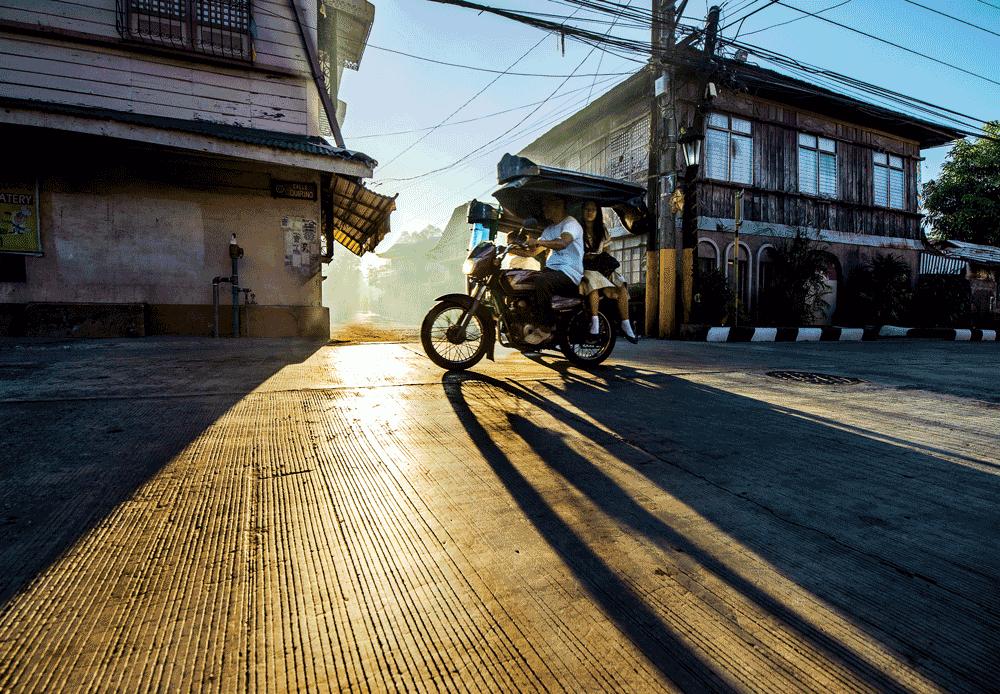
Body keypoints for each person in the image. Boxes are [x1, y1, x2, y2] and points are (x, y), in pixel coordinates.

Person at [509, 195, 583, 343]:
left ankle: (545, 328)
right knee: (524, 279)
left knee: (542, 281)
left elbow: (563, 242)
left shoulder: (570, 224)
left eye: (546, 205)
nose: (543, 209)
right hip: (552, 271)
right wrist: (509, 248)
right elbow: (533, 252)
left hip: (569, 273)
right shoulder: (550, 229)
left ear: (558, 205)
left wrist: (537, 241)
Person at [578, 200, 638, 343]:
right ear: (582, 211)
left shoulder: (603, 229)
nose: (589, 212)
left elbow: (606, 250)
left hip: (599, 265)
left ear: (597, 212)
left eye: (593, 209)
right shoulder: (578, 229)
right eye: (587, 209)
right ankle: (595, 323)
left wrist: (605, 262)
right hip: (583, 267)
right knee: (593, 285)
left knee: (621, 284)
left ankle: (626, 324)